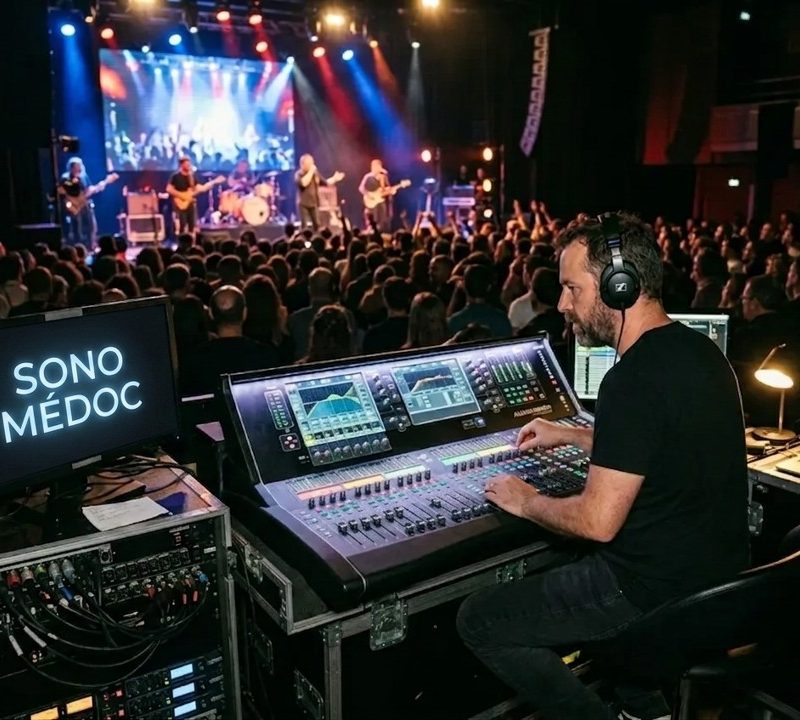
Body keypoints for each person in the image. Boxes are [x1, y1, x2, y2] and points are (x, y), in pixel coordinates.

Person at [457, 213, 749, 720]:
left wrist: (526, 499)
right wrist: (570, 434)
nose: (563, 303)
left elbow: (597, 521)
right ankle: (648, 708)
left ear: (619, 287)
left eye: (572, 288)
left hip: (648, 592)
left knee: (479, 621)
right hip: (713, 581)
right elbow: (658, 446)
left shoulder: (631, 380)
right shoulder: (699, 352)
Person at [294, 153, 344, 231]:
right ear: (303, 164)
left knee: (317, 224)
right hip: (303, 204)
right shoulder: (298, 174)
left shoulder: (315, 173)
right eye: (310, 163)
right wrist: (311, 171)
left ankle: (317, 240)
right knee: (305, 225)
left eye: (312, 163)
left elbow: (325, 182)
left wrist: (335, 179)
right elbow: (304, 183)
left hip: (314, 203)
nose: (312, 165)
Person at [59, 157, 98, 247]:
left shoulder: (84, 176)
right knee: (76, 227)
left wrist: (96, 188)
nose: (79, 168)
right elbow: (63, 191)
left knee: (91, 225)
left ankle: (90, 245)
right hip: (73, 207)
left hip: (85, 205)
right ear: (71, 167)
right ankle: (78, 245)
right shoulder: (65, 178)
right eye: (76, 166)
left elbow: (88, 189)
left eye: (80, 166)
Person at [167, 157, 200, 237]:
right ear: (181, 165)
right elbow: (169, 189)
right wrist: (181, 195)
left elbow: (196, 188)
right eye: (186, 164)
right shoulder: (175, 176)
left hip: (190, 203)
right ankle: (181, 243)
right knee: (182, 224)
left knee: (192, 225)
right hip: (180, 204)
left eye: (189, 164)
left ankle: (191, 242)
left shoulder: (192, 176)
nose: (188, 166)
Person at [359, 159, 392, 232]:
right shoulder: (368, 176)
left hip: (380, 200)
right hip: (371, 201)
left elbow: (386, 187)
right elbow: (361, 188)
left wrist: (390, 190)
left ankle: (381, 230)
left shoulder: (383, 175)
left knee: (382, 218)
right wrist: (368, 195)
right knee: (371, 217)